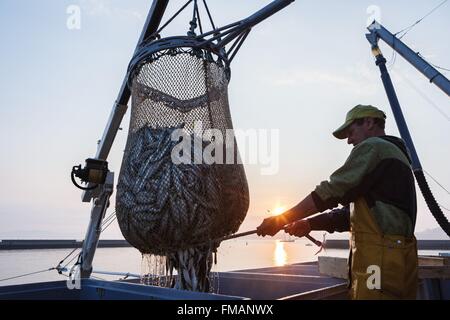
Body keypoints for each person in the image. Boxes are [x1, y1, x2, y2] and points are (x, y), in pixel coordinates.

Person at [257, 104, 418, 300]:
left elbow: (330, 192)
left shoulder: (374, 147)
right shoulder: (394, 155)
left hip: (380, 261)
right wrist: (310, 224)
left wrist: (280, 220)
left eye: (351, 132)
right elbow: (350, 214)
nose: (349, 141)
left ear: (369, 123)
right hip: (399, 258)